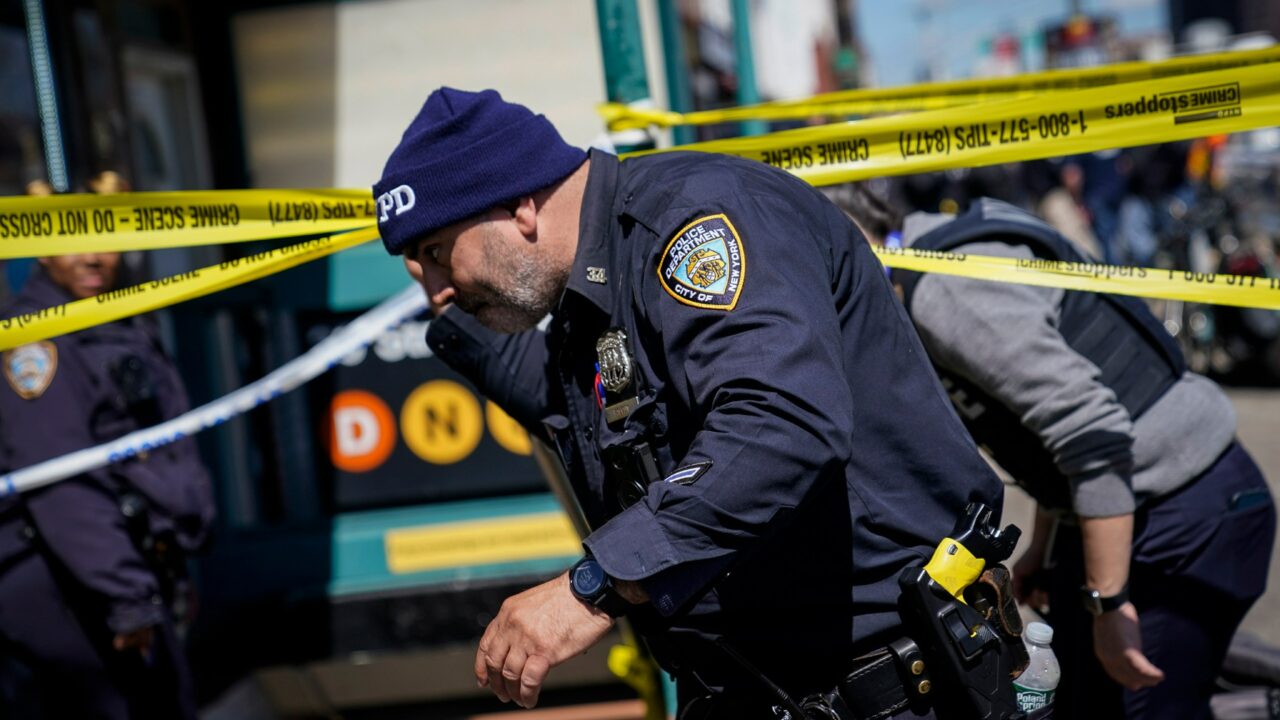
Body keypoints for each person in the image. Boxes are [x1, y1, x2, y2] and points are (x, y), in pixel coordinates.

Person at [373, 87, 1009, 719]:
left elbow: (781, 423)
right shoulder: (590, 292)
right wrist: (454, 311)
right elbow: (558, 401)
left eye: (435, 254)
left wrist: (593, 587)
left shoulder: (695, 220)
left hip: (898, 691)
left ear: (518, 208)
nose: (433, 289)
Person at [832, 186, 1276, 720]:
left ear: (842, 239)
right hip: (1140, 504)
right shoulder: (927, 261)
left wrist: (1108, 605)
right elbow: (1047, 424)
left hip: (1187, 507)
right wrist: (1046, 546)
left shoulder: (943, 287)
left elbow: (1092, 430)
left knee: (1146, 705)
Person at [0, 248, 215, 718]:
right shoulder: (36, 340)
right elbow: (62, 488)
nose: (94, 258)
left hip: (121, 573)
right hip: (72, 589)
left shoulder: (114, 321)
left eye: (105, 240)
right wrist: (128, 599)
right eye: (74, 243)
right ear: (39, 251)